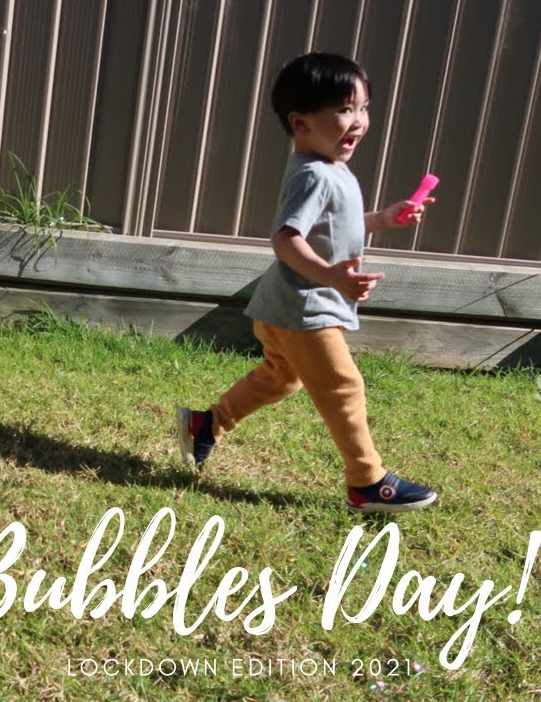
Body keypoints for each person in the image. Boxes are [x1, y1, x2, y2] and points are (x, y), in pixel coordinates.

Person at [176, 52, 438, 514]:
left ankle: (207, 425)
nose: (358, 120)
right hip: (305, 309)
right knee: (344, 386)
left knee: (281, 378)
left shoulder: (330, 168)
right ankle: (367, 483)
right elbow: (286, 238)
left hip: (284, 308)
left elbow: (337, 225)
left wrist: (385, 217)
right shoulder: (314, 175)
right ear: (300, 122)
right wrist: (332, 276)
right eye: (343, 109)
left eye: (363, 107)